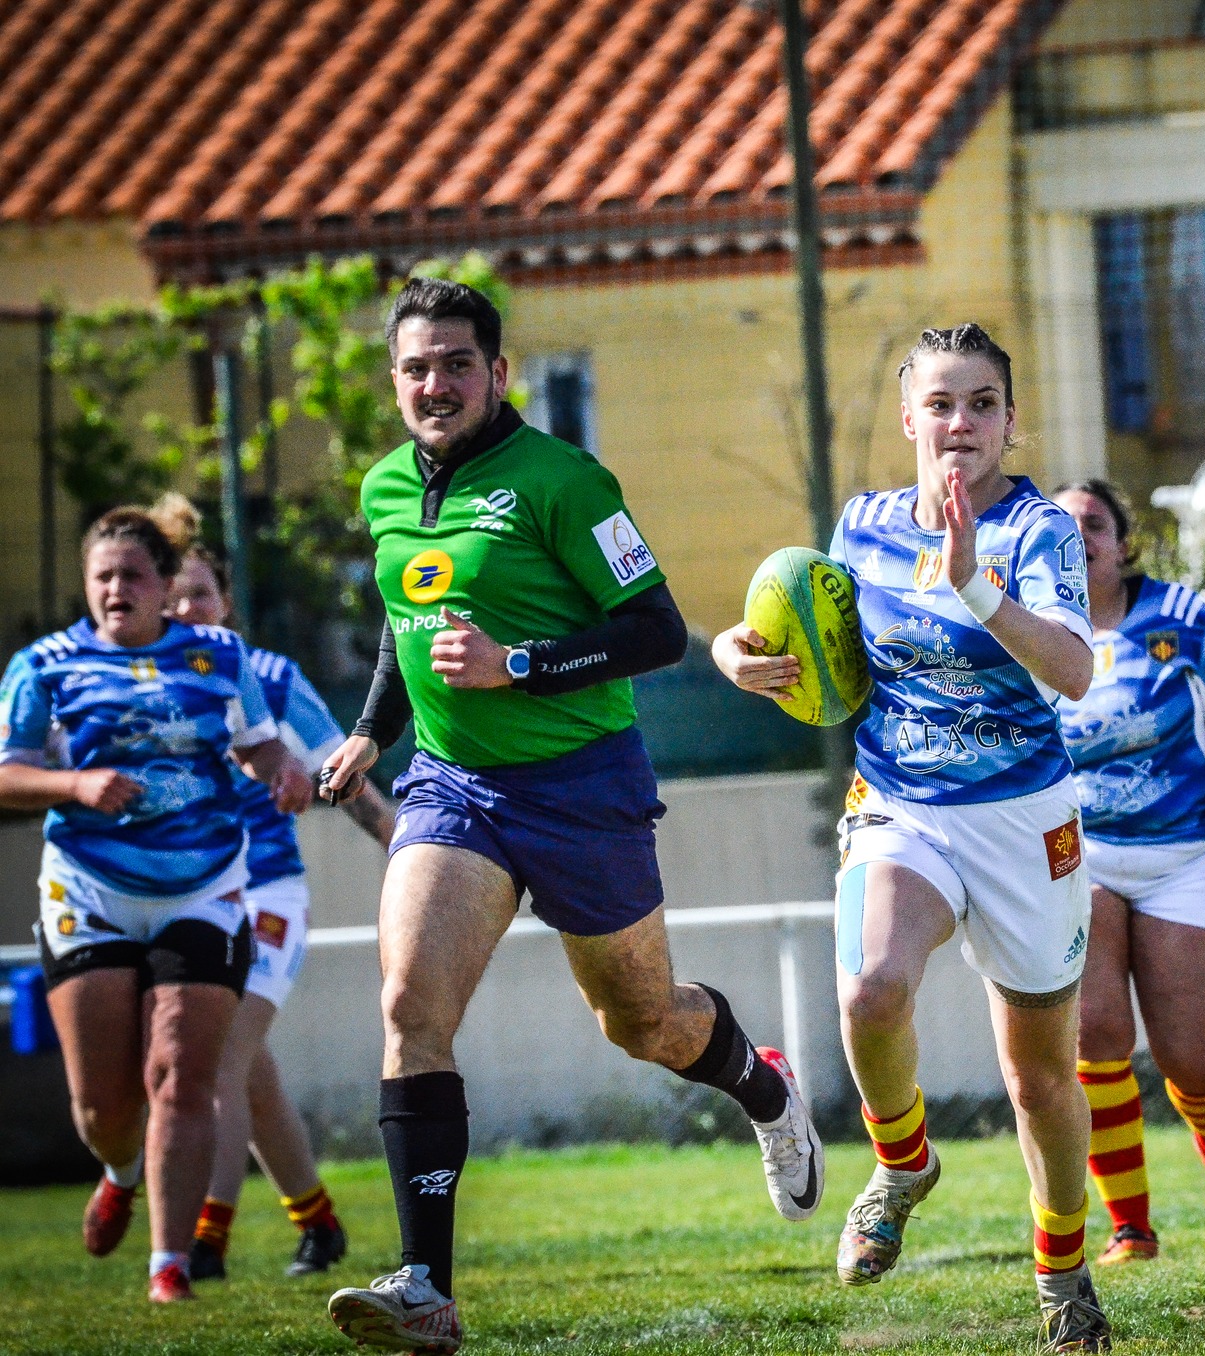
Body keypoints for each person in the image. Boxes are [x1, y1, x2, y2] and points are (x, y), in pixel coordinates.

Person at [317, 278, 821, 1354]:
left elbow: (655, 630)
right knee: (409, 1002)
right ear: (393, 381)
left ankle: (758, 1083)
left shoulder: (565, 480)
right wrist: (373, 729)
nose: (435, 383)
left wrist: (522, 666)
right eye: (416, 367)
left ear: (498, 373)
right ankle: (426, 1289)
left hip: (582, 785)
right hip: (453, 787)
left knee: (642, 1023)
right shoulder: (383, 491)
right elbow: (412, 626)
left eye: (457, 362)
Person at [713, 324, 1112, 1353]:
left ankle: (1063, 1271)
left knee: (1037, 1076)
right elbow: (805, 636)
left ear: (1010, 422)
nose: (960, 424)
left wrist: (974, 580)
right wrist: (734, 655)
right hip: (903, 802)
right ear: (907, 420)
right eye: (939, 404)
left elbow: (1073, 673)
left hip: (1027, 820)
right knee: (870, 988)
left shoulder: (1040, 532)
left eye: (981, 404)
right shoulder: (862, 523)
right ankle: (901, 1166)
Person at [0, 508, 301, 1302]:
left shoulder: (216, 654)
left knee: (181, 1076)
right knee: (105, 1103)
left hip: (203, 888)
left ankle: (169, 1263)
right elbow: (6, 774)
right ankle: (119, 1171)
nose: (114, 589)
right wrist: (73, 785)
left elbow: (257, 741)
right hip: (90, 890)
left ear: (166, 588)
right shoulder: (45, 665)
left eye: (132, 575)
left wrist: (285, 771)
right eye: (101, 576)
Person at [156, 511, 397, 1281]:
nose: (186, 609)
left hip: (266, 895)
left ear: (225, 602)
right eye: (173, 596)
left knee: (216, 1060)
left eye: (200, 594)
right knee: (247, 1074)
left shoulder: (272, 680)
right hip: (186, 900)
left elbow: (347, 780)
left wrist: (419, 856)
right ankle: (318, 1225)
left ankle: (204, 1244)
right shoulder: (140, 689)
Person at [1049, 478, 1205, 1266]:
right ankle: (1130, 1228)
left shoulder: (1182, 616)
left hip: (1187, 852)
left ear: (1122, 541)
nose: (1080, 538)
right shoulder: (1025, 629)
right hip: (1081, 857)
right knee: (1096, 1033)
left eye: (1094, 525)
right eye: (1064, 526)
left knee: (1196, 1058)